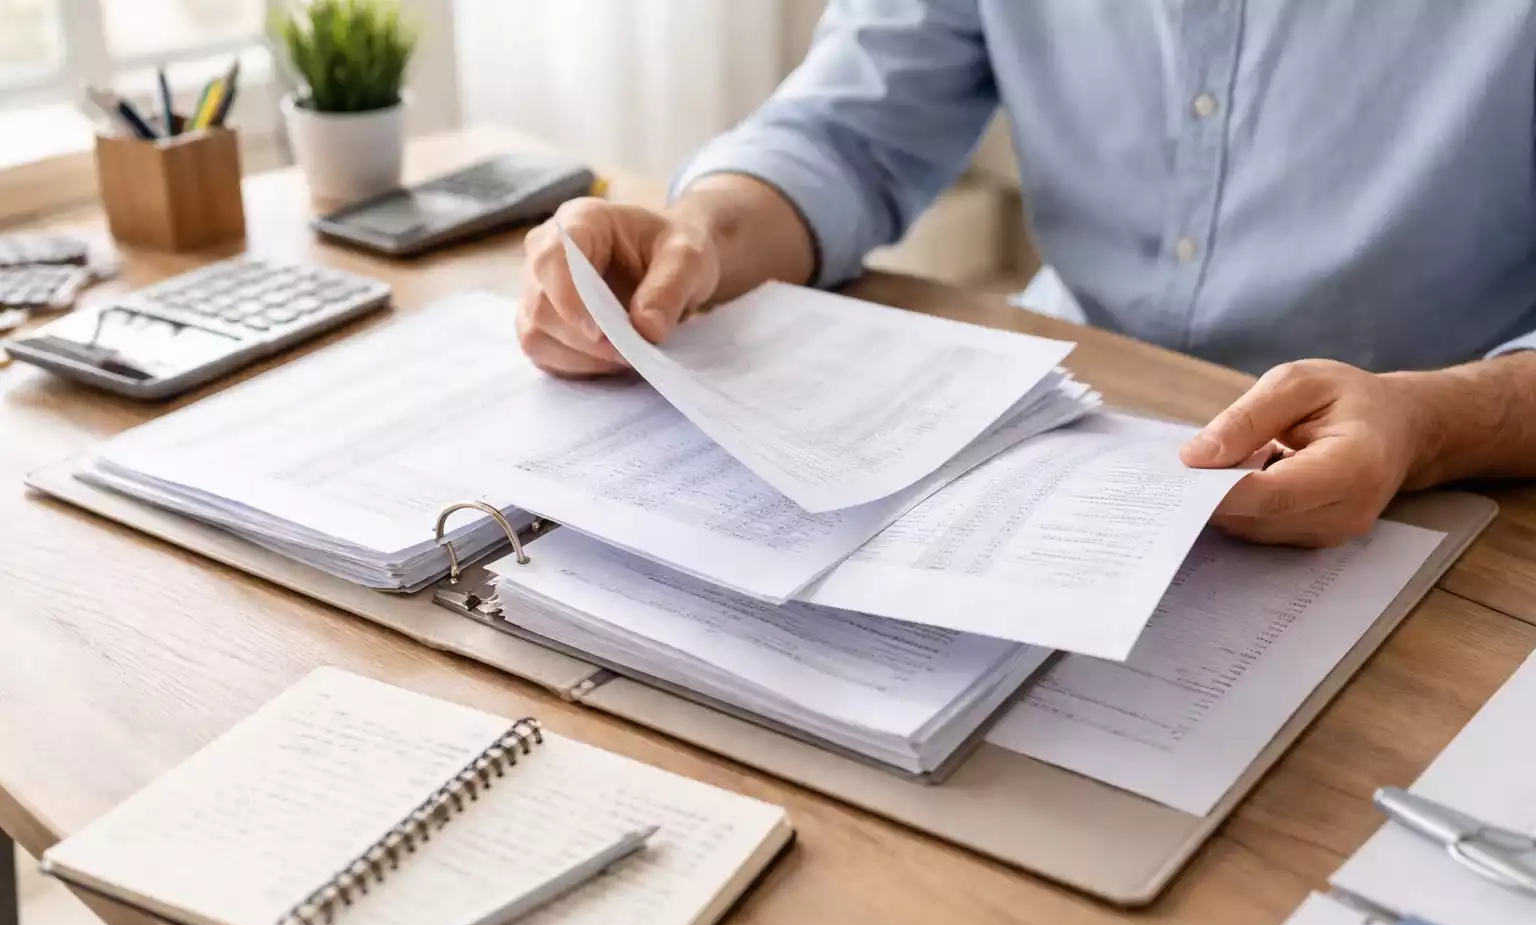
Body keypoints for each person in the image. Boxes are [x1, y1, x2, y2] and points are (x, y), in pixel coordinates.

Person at [517, 1, 1536, 547]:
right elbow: (847, 132)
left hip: (1449, 487)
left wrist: (1436, 425)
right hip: (1059, 426)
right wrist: (692, 239)